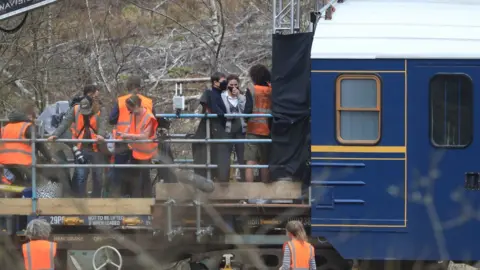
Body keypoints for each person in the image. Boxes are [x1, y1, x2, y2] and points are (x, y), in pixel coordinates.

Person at [48, 97, 107, 198]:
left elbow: (103, 124)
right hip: (81, 147)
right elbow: (65, 123)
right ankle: (80, 202)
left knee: (98, 177)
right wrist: (55, 134)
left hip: (97, 148)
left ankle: (96, 201)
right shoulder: (75, 109)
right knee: (81, 176)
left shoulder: (101, 110)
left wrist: (101, 135)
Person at [0, 102, 53, 187]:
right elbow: (39, 143)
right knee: (39, 180)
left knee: (19, 180)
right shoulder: (27, 126)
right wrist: (49, 157)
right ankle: (37, 197)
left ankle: (18, 196)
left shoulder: (5, 128)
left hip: (5, 162)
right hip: (21, 161)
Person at [192, 72, 231, 182]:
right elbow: (212, 109)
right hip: (211, 130)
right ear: (215, 82)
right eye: (223, 81)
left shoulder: (222, 96)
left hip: (219, 130)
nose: (225, 83)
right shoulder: (210, 93)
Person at [119, 94, 158, 198]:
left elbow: (145, 136)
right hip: (135, 151)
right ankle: (136, 201)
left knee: (145, 178)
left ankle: (147, 201)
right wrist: (124, 134)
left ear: (136, 105)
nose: (128, 111)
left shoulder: (149, 117)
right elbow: (130, 126)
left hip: (146, 152)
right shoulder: (133, 114)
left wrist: (128, 135)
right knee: (134, 178)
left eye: (130, 108)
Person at [244, 64, 272, 183]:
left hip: (253, 129)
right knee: (264, 162)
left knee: (250, 161)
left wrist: (246, 120)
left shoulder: (251, 89)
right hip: (268, 129)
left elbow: (247, 109)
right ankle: (264, 193)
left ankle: (249, 192)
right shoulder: (272, 90)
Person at [221, 74, 247, 181]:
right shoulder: (223, 96)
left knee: (242, 156)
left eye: (236, 84)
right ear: (227, 85)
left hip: (240, 129)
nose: (233, 87)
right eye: (231, 85)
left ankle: (244, 178)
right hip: (228, 129)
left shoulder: (242, 96)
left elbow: (245, 110)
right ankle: (225, 179)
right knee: (226, 156)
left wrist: (239, 96)